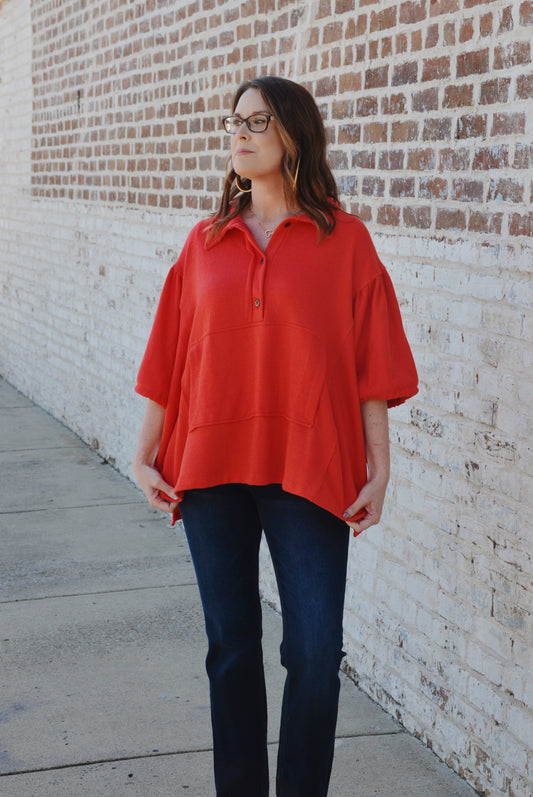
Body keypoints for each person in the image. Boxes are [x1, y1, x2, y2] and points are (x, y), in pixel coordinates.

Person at [134, 75, 418, 797]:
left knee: (315, 652)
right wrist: (145, 449)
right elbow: (171, 352)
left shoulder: (345, 241)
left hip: (309, 467)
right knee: (230, 647)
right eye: (234, 120)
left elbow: (371, 365)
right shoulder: (202, 243)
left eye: (257, 121)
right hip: (209, 468)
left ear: (294, 134)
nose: (240, 132)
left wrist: (378, 469)